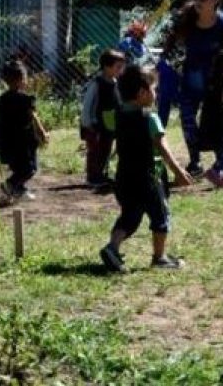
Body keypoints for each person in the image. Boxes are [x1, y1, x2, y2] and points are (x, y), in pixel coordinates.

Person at [99, 65, 193, 273]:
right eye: (154, 89)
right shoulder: (150, 118)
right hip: (148, 179)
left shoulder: (119, 115)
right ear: (142, 93)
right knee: (161, 216)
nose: (156, 93)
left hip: (124, 177)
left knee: (130, 215)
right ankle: (159, 258)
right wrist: (178, 171)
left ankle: (112, 247)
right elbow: (163, 148)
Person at [161, 0, 223, 177]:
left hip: (214, 81)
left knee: (214, 122)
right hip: (190, 79)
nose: (197, 0)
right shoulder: (186, 21)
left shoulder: (221, 24)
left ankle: (219, 164)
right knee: (187, 120)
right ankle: (195, 162)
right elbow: (170, 47)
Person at [0, 59, 48, 201]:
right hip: (24, 140)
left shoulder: (2, 99)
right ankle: (10, 185)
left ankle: (18, 189)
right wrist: (42, 133)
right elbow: (34, 117)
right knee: (30, 168)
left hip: (8, 140)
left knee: (18, 167)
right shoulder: (25, 99)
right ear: (22, 79)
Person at [80, 48, 126, 189]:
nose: (121, 70)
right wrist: (88, 123)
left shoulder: (115, 82)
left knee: (106, 149)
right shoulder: (97, 83)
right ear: (107, 66)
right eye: (118, 67)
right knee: (95, 151)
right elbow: (88, 105)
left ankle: (101, 174)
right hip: (95, 124)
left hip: (109, 123)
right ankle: (92, 176)